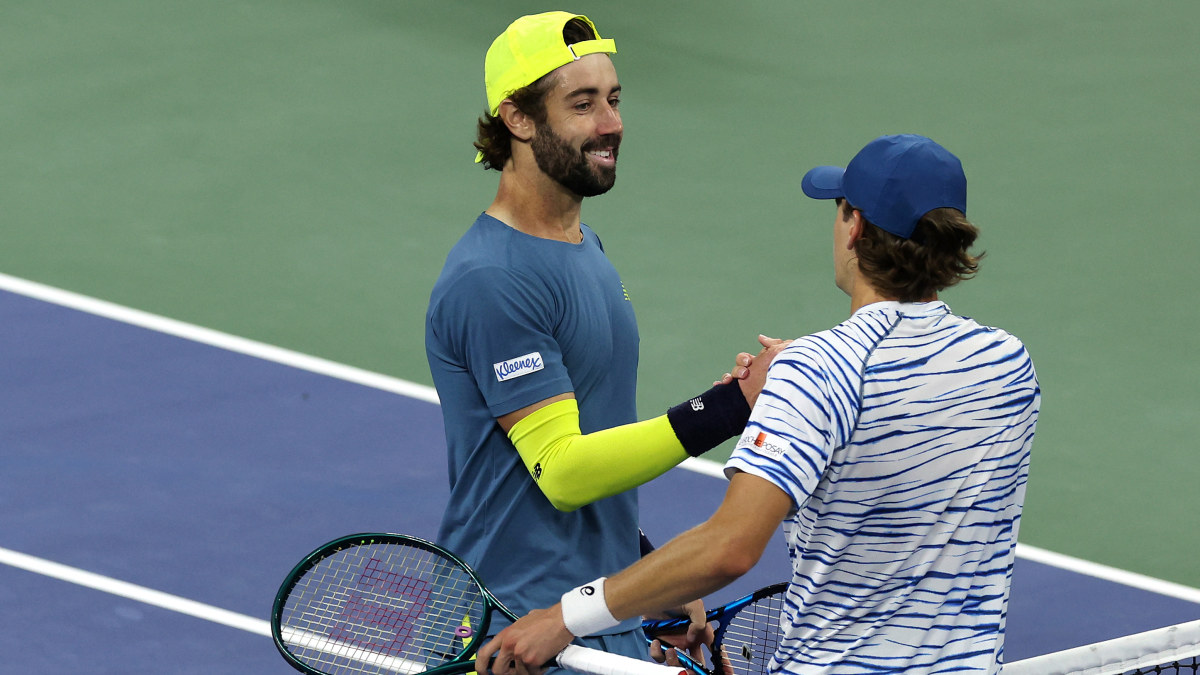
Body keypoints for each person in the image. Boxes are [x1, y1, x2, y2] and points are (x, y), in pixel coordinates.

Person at [475, 134, 1042, 675]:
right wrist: (814, 387)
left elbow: (729, 547)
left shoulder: (820, 373)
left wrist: (565, 616)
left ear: (856, 227)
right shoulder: (1009, 365)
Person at [424, 11, 783, 667]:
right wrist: (731, 409)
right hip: (514, 633)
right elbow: (561, 471)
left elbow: (590, 442)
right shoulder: (493, 279)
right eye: (582, 104)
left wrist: (651, 577)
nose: (611, 123)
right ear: (518, 117)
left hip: (590, 622)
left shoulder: (584, 247)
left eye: (613, 99)